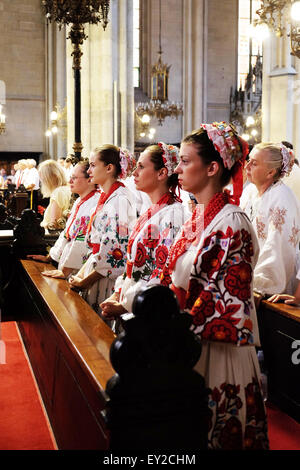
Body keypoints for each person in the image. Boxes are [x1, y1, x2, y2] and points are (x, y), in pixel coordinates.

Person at [159, 122, 268, 450]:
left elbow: (217, 295)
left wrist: (167, 323)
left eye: (186, 161)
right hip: (188, 337)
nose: (178, 169)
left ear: (212, 167)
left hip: (218, 347)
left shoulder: (232, 222)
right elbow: (171, 273)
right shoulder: (197, 216)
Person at [100, 142, 189, 321]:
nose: (135, 173)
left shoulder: (173, 215)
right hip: (132, 300)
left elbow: (162, 271)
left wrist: (126, 304)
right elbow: (133, 263)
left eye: (141, 167)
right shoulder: (152, 211)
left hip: (149, 308)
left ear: (162, 173)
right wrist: (118, 294)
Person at [68, 145, 136, 321]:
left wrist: (85, 281)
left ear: (109, 168)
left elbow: (115, 252)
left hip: (106, 279)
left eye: (92, 165)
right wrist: (81, 275)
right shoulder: (107, 196)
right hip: (97, 270)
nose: (89, 170)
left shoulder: (119, 200)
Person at [240, 142, 300, 302]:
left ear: (270, 172)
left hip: (270, 287)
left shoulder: (282, 197)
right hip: (246, 277)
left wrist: (260, 285)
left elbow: (277, 246)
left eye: (254, 163)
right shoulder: (249, 191)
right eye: (248, 160)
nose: (247, 167)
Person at [27, 160, 100, 279]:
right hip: (69, 262)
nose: (70, 181)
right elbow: (66, 233)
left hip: (78, 267)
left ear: (89, 179)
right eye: (70, 177)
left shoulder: (94, 203)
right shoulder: (80, 201)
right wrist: (50, 256)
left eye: (74, 178)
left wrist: (65, 271)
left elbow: (81, 240)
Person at [38, 159, 71, 231]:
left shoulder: (58, 192)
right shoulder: (68, 188)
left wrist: (41, 226)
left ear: (53, 176)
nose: (42, 182)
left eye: (43, 178)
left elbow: (54, 225)